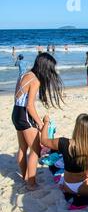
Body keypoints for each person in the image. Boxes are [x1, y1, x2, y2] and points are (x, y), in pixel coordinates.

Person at [11, 53, 64, 190]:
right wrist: (41, 124)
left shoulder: (25, 74)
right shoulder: (35, 80)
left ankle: (25, 177)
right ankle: (31, 183)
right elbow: (29, 106)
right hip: (24, 115)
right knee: (36, 150)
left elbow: (19, 99)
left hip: (16, 113)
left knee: (23, 148)